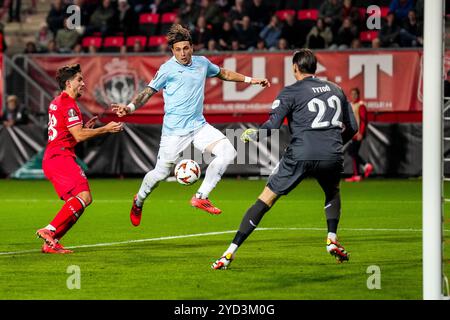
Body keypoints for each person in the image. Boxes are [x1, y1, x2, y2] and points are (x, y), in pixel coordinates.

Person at [212, 49, 358, 270]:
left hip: (300, 153)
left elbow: (272, 127)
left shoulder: (290, 92)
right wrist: (333, 144)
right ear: (315, 68)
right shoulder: (337, 89)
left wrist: (255, 134)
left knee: (265, 200)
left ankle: (228, 253)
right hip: (332, 154)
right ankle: (331, 237)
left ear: (295, 68)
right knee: (332, 192)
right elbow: (353, 128)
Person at [112, 24, 270, 226]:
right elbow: (148, 92)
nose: (182, 53)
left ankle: (201, 196)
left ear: (192, 47)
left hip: (198, 126)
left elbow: (224, 73)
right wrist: (130, 108)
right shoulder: (167, 69)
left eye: (186, 48)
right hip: (173, 133)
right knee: (160, 174)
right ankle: (139, 199)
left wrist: (252, 80)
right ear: (172, 50)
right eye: (178, 49)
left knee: (228, 151)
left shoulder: (202, 63)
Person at [35, 64, 123, 254]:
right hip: (60, 158)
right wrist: (105, 129)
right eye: (79, 80)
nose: (84, 83)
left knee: (78, 202)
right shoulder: (69, 104)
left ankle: (51, 243)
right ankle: (49, 230)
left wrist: (85, 128)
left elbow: (69, 132)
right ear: (68, 83)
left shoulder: (58, 101)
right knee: (84, 197)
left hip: (53, 158)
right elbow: (79, 136)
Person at [345, 87, 373, 182]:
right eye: (351, 94)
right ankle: (362, 170)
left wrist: (361, 132)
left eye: (354, 94)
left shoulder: (361, 105)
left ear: (358, 95)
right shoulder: (351, 105)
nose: (353, 96)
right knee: (353, 153)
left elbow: (364, 120)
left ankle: (363, 169)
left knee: (352, 152)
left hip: (358, 133)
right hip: (353, 133)